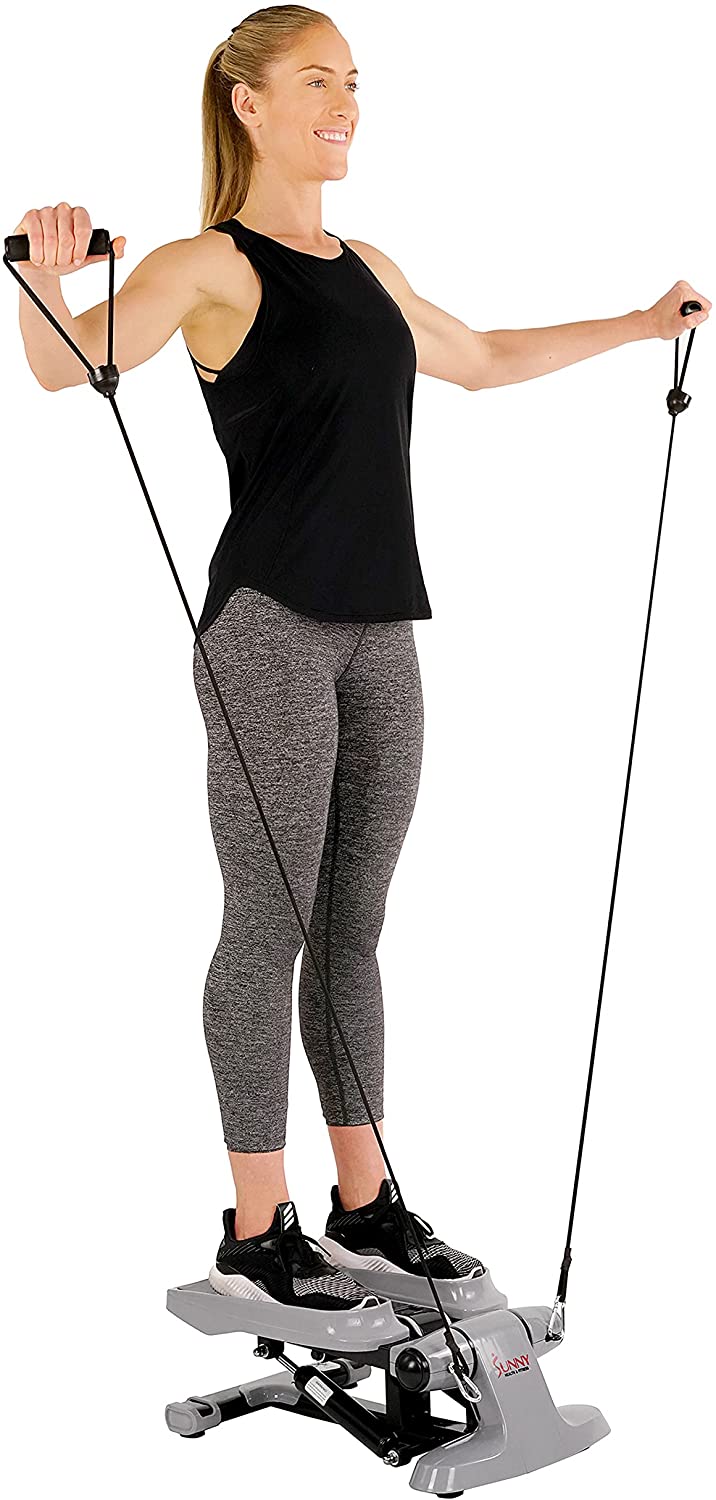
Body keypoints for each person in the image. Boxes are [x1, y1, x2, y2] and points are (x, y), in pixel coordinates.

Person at [13, 6, 709, 1315]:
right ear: (249, 103)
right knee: (266, 924)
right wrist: (45, 273)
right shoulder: (208, 265)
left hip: (383, 630)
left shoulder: (368, 264)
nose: (345, 104)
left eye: (354, 82)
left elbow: (481, 361)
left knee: (354, 930)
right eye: (316, 80)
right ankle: (257, 1229)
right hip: (269, 628)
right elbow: (64, 365)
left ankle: (366, 1204)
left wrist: (637, 322)